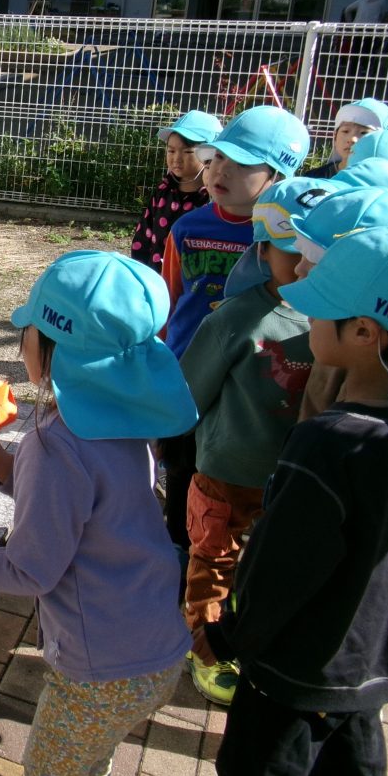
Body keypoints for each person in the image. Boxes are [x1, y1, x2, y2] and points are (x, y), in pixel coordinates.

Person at [0, 250, 197, 776]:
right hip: (155, 648)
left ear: (53, 348)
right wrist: (3, 464)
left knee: (49, 772)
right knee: (90, 758)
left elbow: (29, 571)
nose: (22, 342)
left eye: (29, 331)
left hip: (99, 672)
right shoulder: (127, 419)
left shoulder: (54, 445)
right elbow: (87, 505)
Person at [191, 225, 388, 776]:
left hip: (291, 678)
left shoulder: (327, 443)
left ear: (364, 331)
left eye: (318, 307)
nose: (304, 315)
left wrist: (225, 636)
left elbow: (279, 570)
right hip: (373, 670)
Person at [179, 178, 336, 705]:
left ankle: (244, 635)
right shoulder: (235, 319)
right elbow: (190, 394)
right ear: (262, 250)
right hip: (228, 473)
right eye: (293, 252)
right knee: (214, 560)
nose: (306, 265)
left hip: (292, 477)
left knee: (265, 564)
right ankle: (205, 649)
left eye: (319, 254)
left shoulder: (336, 320)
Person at [156, 106, 310, 559]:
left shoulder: (289, 243)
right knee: (182, 473)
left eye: (242, 164)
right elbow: (169, 298)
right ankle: (179, 557)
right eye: (219, 156)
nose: (221, 170)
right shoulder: (187, 227)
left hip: (252, 385)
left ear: (277, 176)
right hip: (188, 377)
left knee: (232, 497)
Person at [290, 186, 388, 421]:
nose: (299, 268)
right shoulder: (338, 339)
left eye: (316, 259)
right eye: (300, 253)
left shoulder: (338, 346)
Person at [131, 110, 221, 271]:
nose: (176, 158)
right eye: (171, 151)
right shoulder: (163, 190)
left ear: (211, 155)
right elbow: (144, 233)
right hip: (156, 275)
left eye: (188, 152)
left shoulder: (213, 198)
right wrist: (139, 270)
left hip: (193, 279)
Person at [304, 98, 388, 178]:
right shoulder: (313, 178)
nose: (352, 139)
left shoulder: (383, 183)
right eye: (345, 131)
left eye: (364, 133)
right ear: (335, 136)